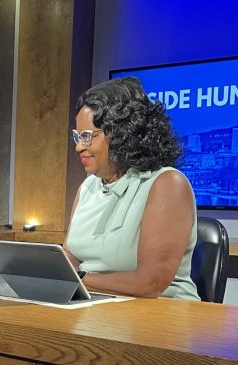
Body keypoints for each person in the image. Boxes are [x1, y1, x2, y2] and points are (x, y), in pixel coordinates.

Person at [64, 77, 200, 300]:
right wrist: (53, 274)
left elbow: (149, 283)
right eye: (78, 137)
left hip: (161, 311)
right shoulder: (87, 187)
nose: (79, 147)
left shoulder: (167, 184)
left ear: (122, 133)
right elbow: (70, 255)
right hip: (95, 303)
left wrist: (74, 280)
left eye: (87, 136)